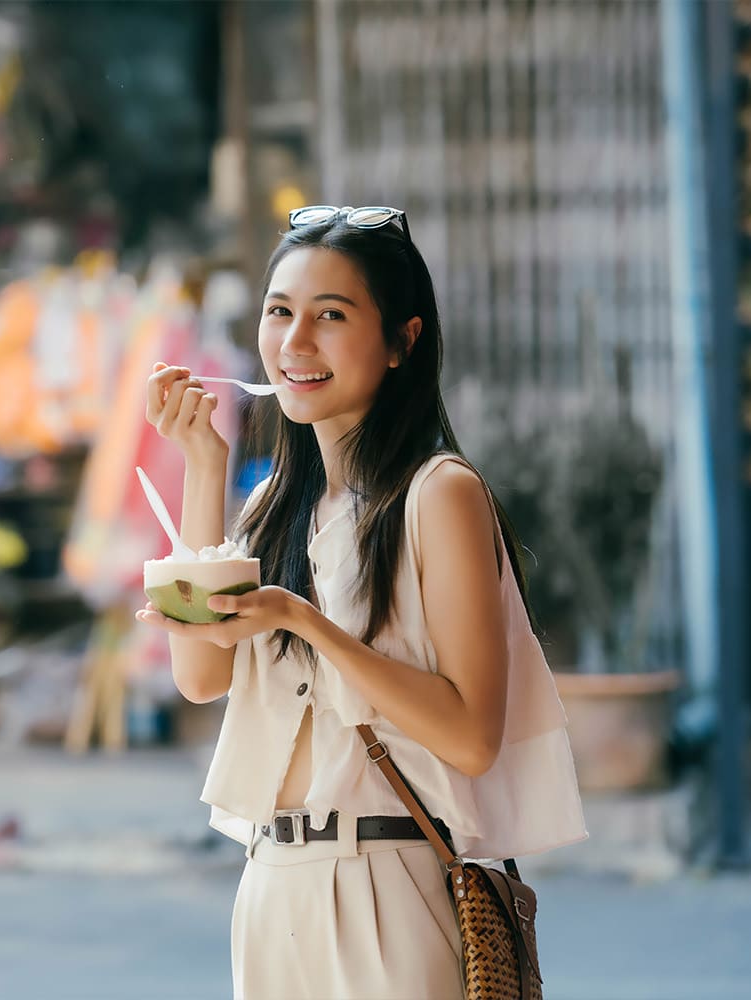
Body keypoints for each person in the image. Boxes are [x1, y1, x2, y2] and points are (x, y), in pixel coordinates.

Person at [137, 205, 586, 1000]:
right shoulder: (273, 505)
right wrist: (204, 466)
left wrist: (303, 620)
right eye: (280, 312)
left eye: (331, 316)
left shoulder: (438, 494)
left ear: (402, 341)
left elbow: (472, 737)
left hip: (388, 888)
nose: (295, 341)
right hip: (270, 887)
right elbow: (200, 676)